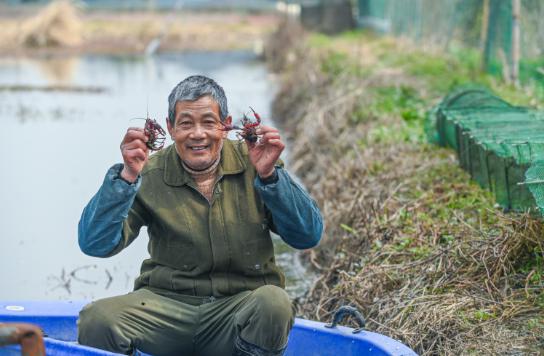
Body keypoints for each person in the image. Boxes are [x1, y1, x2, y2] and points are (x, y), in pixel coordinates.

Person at [77, 75, 323, 356]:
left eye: (208, 122)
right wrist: (126, 178)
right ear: (170, 128)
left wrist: (270, 176)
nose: (197, 134)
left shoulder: (257, 162)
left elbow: (308, 235)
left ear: (226, 125)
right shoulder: (148, 173)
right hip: (165, 309)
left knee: (274, 303)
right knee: (97, 319)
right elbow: (95, 244)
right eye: (185, 123)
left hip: (237, 310)